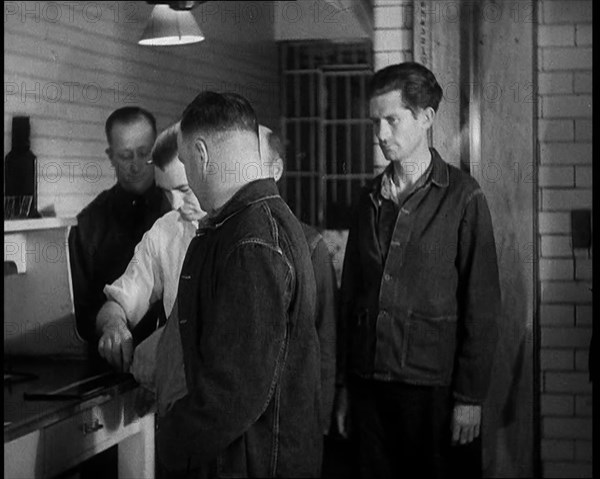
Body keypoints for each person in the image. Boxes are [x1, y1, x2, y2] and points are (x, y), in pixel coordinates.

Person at [334, 62, 501, 479]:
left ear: (425, 118)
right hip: (369, 389)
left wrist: (469, 397)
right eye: (376, 121)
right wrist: (343, 388)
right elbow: (350, 296)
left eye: (392, 120)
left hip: (433, 393)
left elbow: (482, 305)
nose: (381, 134)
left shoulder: (463, 198)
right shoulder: (368, 199)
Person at [155, 91, 322, 478]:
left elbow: (234, 392)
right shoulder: (259, 222)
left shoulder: (251, 240)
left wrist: (170, 437)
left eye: (184, 163)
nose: (188, 178)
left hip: (256, 464)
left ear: (201, 153)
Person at [96, 122, 205, 379]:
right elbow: (118, 302)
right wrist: (114, 326)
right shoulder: (164, 232)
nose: (176, 204)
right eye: (167, 192)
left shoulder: (246, 230)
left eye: (184, 190)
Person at [68, 107, 171, 356]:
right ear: (110, 156)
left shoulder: (179, 210)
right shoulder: (87, 225)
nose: (135, 166)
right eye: (125, 156)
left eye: (144, 154)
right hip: (112, 361)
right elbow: (82, 311)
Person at [259, 125, 337, 435]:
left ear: (275, 169)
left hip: (293, 416)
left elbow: (325, 338)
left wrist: (322, 416)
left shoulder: (309, 245)